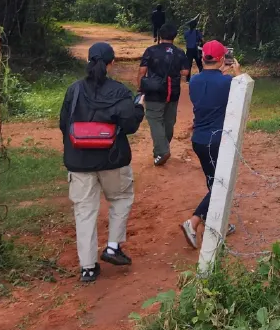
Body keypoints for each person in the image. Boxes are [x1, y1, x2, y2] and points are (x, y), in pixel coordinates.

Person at [59, 42, 145, 283]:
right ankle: (113, 246)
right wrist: (139, 109)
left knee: (84, 212)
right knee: (120, 198)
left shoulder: (74, 90)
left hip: (79, 162)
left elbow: (63, 124)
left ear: (88, 61)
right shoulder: (119, 91)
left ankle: (87, 268)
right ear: (111, 63)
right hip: (113, 159)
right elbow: (129, 125)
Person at [180, 40, 241, 249]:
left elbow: (210, 87)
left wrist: (221, 73)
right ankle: (194, 221)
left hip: (199, 139)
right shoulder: (228, 82)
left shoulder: (194, 81)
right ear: (222, 59)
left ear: (203, 57)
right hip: (217, 140)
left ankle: (216, 220)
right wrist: (238, 74)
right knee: (220, 185)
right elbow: (241, 94)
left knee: (212, 180)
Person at [138, 23, 189, 166]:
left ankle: (163, 150)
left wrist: (140, 88)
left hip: (154, 91)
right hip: (172, 91)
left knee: (155, 120)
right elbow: (185, 72)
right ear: (174, 36)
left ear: (160, 36)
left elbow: (142, 71)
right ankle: (160, 151)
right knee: (168, 122)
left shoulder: (151, 51)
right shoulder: (180, 52)